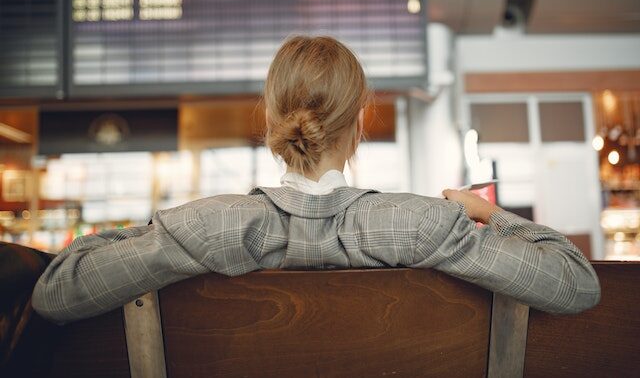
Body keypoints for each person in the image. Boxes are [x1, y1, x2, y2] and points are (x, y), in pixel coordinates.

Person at [31, 36, 601, 324]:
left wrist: (147, 231)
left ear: (274, 122)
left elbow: (56, 293)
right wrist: (485, 213)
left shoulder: (204, 226)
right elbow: (576, 284)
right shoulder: (425, 224)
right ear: (358, 126)